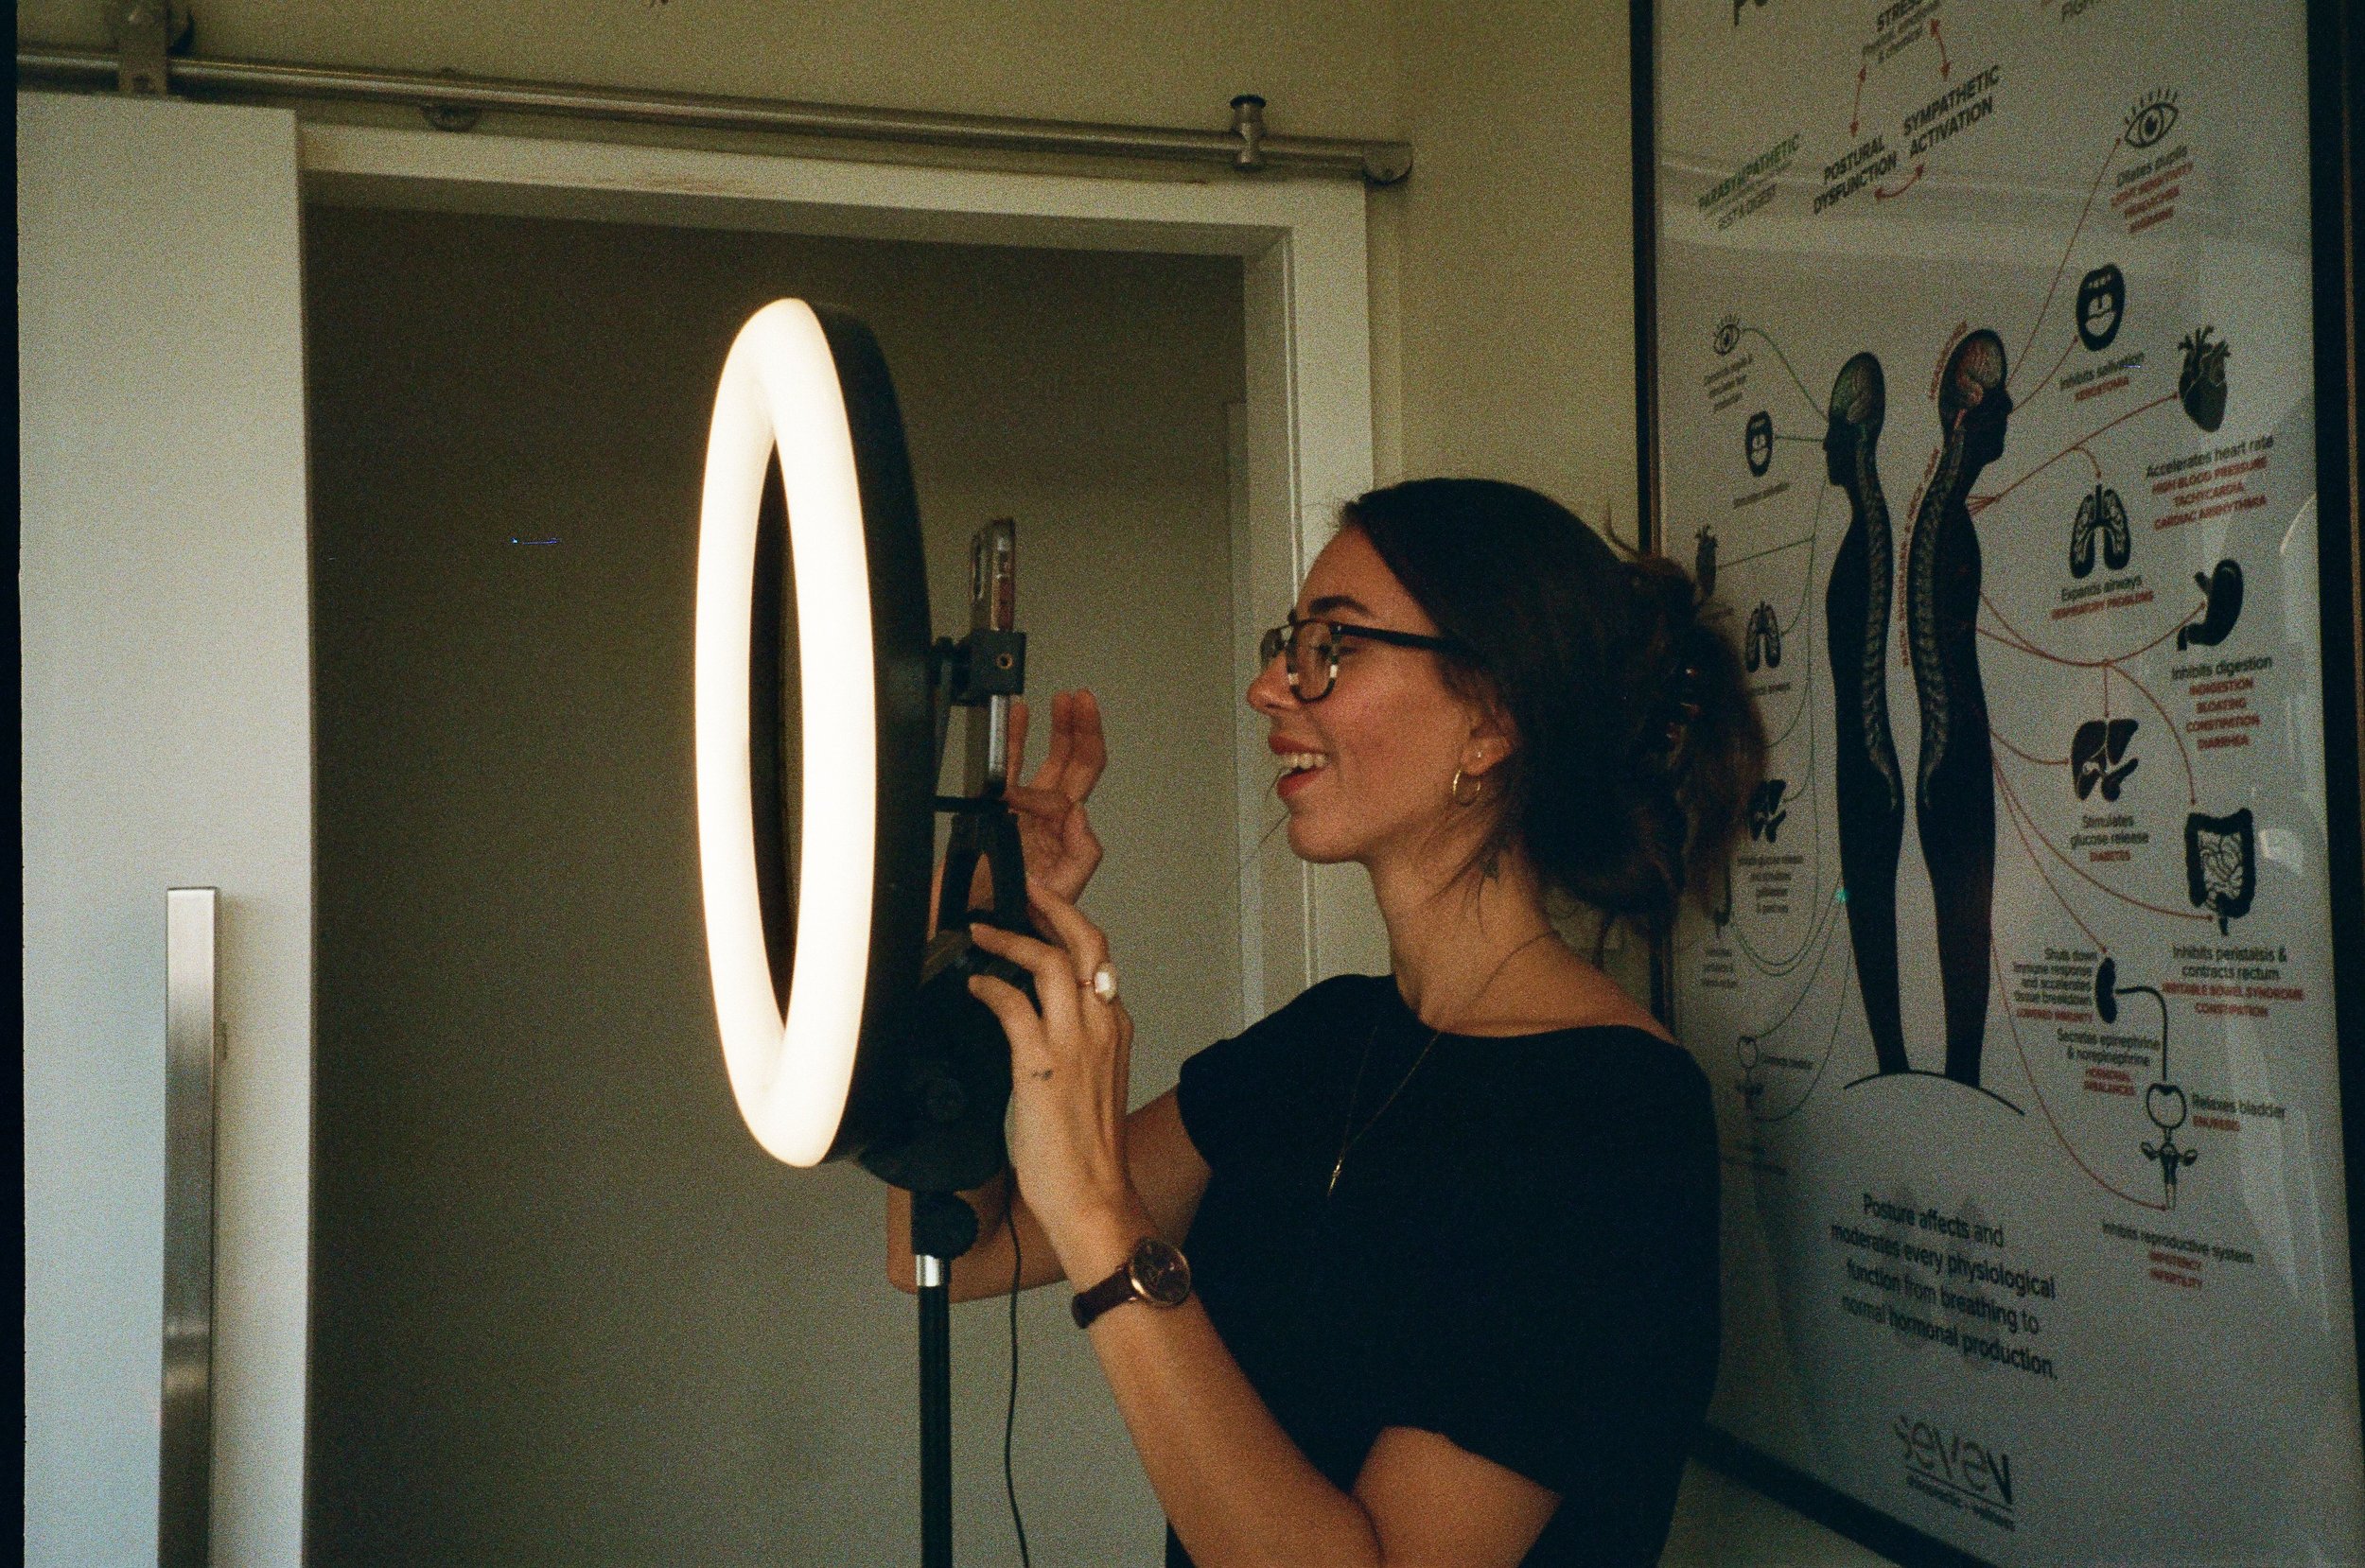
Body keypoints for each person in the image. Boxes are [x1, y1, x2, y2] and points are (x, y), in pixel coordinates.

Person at [889, 478, 1764, 1566]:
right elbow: (960, 1246)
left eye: (1329, 645)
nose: (1269, 687)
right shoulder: (1325, 1044)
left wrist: (1098, 1206)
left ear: (1491, 720)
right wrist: (976, 941)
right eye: (1285, 642)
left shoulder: (1613, 1122)